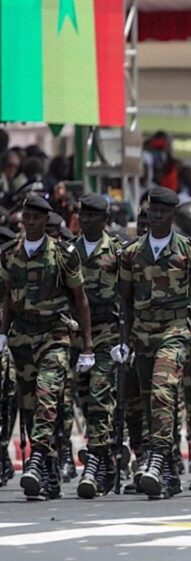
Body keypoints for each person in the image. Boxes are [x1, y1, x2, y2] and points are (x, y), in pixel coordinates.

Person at [119, 187, 191, 500]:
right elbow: (124, 302)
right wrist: (124, 339)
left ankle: (153, 458)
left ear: (172, 215)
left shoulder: (189, 251)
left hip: (176, 330)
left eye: (163, 212)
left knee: (163, 390)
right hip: (142, 333)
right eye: (153, 212)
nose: (157, 217)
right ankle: (167, 472)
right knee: (151, 400)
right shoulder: (132, 252)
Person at [1, 194, 93, 500]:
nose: (29, 222)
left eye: (36, 217)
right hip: (22, 336)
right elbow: (8, 298)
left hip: (54, 334)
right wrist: (3, 334)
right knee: (29, 407)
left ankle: (37, 460)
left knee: (47, 395)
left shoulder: (63, 254)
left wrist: (88, 345)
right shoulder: (10, 253)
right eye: (26, 217)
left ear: (45, 219)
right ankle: (50, 475)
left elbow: (80, 299)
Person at [73, 194, 122, 499]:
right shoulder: (68, 252)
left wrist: (126, 338)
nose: (87, 220)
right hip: (77, 334)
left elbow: (128, 295)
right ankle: (105, 457)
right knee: (83, 397)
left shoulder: (117, 251)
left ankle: (94, 460)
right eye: (83, 215)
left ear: (104, 220)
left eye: (93, 216)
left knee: (100, 393)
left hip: (107, 332)